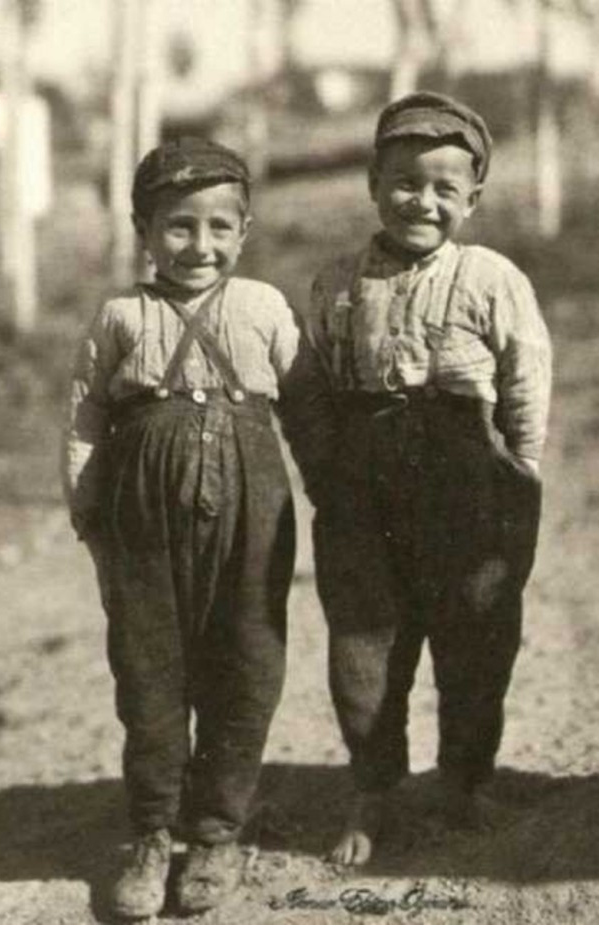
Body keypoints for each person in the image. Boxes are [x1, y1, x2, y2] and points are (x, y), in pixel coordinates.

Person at [282, 91, 552, 866]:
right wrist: (327, 480)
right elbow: (316, 391)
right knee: (365, 639)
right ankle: (373, 787)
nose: (421, 201)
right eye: (404, 181)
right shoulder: (334, 283)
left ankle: (464, 778)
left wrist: (518, 476)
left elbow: (527, 382)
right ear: (372, 183)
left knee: (475, 630)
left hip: (470, 478)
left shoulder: (492, 278)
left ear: (474, 198)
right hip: (363, 486)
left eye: (443, 187)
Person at [61, 137, 299, 918]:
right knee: (149, 668)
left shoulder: (263, 307)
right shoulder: (121, 315)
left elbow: (311, 411)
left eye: (219, 227)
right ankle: (153, 831)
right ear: (143, 228)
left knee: (245, 662)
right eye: (179, 226)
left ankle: (217, 831)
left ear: (244, 229)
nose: (201, 246)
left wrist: (344, 502)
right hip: (141, 519)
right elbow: (86, 415)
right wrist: (88, 512)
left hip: (250, 512)